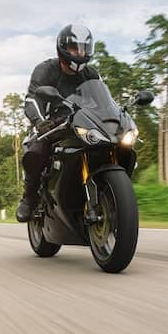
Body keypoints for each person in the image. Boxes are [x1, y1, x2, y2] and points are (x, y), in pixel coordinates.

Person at [16, 24, 100, 222]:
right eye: (74, 48)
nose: (79, 53)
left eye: (83, 48)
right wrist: (39, 122)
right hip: (51, 125)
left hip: (83, 123)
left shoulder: (91, 74)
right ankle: (28, 198)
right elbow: (32, 99)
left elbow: (103, 99)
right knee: (36, 153)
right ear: (62, 48)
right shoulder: (45, 70)